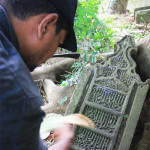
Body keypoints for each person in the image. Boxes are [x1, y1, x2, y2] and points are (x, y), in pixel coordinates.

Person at [0, 0, 78, 150]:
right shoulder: (16, 90)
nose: (47, 60)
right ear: (46, 25)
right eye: (58, 43)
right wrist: (64, 142)